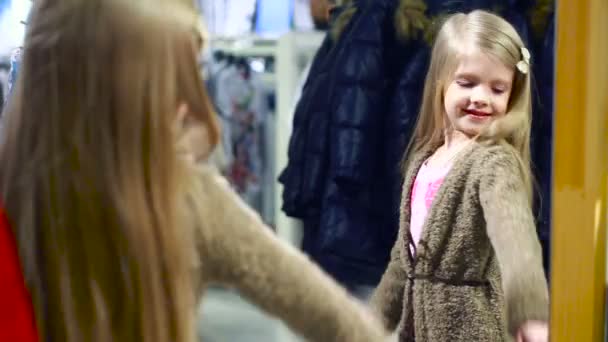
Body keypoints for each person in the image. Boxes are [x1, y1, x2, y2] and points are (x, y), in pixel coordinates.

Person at [0, 0, 396, 341]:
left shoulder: (21, 192)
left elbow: (333, 316)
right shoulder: (187, 197)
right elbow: (337, 319)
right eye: (171, 85)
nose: (187, 105)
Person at [370, 10, 549, 342]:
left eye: (498, 89)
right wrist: (370, 322)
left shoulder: (493, 162)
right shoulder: (424, 159)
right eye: (467, 82)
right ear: (441, 81)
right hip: (420, 326)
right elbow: (404, 258)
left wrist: (530, 312)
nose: (481, 97)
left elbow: (515, 236)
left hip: (469, 325)